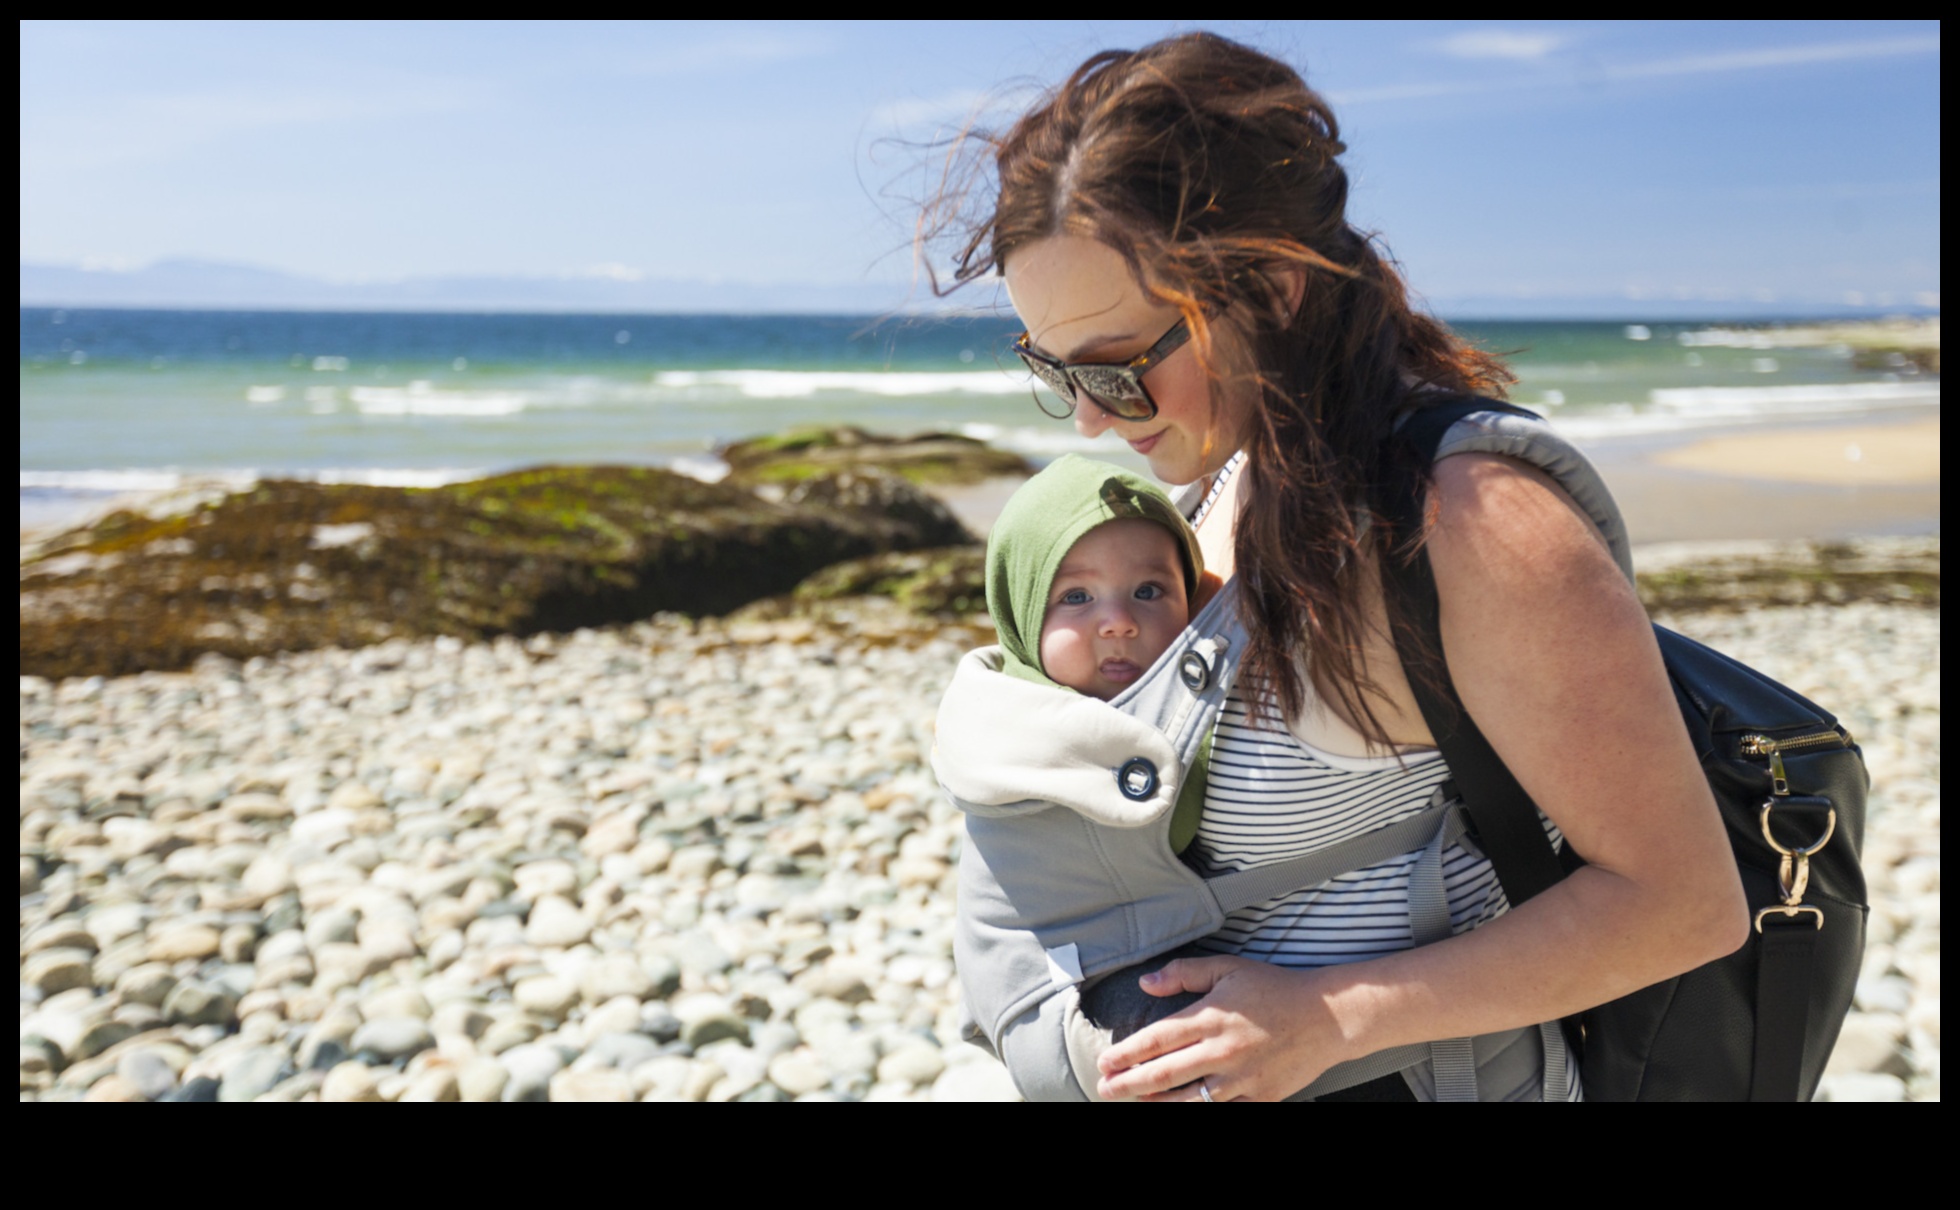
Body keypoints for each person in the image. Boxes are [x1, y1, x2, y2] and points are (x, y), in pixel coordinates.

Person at [927, 32, 1749, 1101]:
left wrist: (1333, 1014)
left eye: (1118, 370)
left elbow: (1680, 903)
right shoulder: (1229, 469)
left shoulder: (1471, 524)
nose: (1088, 417)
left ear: (1269, 289)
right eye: (1051, 366)